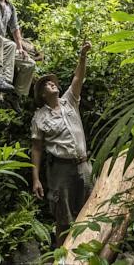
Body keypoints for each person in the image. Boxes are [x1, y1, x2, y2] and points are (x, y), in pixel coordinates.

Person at [30, 41, 93, 247]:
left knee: (89, 212)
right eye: (48, 84)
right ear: (42, 94)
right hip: (60, 171)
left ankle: (88, 253)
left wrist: (82, 56)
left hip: (83, 166)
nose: (53, 84)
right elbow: (37, 149)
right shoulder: (39, 117)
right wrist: (36, 179)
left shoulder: (70, 101)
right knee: (64, 218)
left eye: (53, 83)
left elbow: (78, 78)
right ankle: (63, 257)